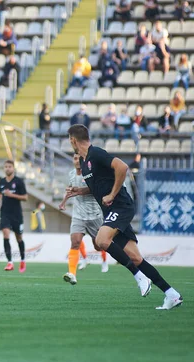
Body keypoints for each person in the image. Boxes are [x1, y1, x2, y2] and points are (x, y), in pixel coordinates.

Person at [66, 124, 183, 310]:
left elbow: (122, 167)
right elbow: (98, 186)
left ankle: (139, 277)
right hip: (111, 211)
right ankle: (171, 294)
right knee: (135, 258)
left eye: (69, 140)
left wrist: (112, 195)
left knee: (102, 240)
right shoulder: (84, 161)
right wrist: (80, 190)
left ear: (73, 140)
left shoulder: (95, 153)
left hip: (121, 205)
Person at [58, 154, 109, 285]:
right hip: (78, 215)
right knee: (75, 242)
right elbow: (70, 190)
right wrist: (63, 202)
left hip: (94, 216)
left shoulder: (91, 173)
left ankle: (104, 261)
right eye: (75, 158)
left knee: (99, 246)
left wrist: (79, 191)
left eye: (80, 159)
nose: (77, 161)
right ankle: (72, 274)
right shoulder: (71, 174)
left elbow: (97, 189)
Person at [0, 160, 28, 272]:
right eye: (6, 167)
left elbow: (25, 197)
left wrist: (11, 195)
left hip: (16, 214)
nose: (7, 168)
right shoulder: (2, 181)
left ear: (13, 168)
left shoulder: (19, 182)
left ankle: (22, 260)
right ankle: (10, 262)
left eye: (9, 166)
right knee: (5, 234)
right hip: (5, 213)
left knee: (19, 238)